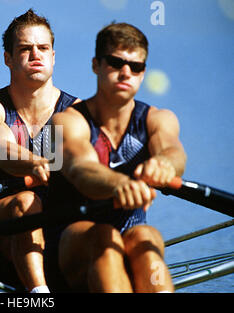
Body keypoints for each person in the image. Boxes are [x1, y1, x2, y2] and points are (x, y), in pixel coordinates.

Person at [45, 22, 187, 292]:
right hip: (69, 246)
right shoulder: (68, 122)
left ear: (143, 73)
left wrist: (165, 165)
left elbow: (173, 152)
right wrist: (118, 184)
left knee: (148, 236)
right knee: (104, 236)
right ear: (96, 65)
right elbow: (81, 169)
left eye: (136, 67)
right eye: (115, 62)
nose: (126, 73)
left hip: (131, 239)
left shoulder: (158, 119)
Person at [0, 9, 79, 293]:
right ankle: (39, 294)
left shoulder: (79, 113)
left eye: (43, 48)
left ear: (54, 56)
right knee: (26, 202)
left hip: (58, 246)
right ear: (8, 58)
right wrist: (36, 163)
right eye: (25, 49)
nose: (36, 55)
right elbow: (0, 148)